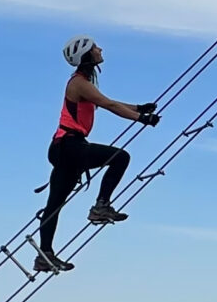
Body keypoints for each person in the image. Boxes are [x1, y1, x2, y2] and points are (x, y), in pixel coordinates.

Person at [36, 36, 159, 272]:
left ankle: (45, 255)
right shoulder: (78, 83)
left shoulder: (82, 83)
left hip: (64, 148)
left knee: (54, 205)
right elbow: (108, 105)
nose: (100, 49)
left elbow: (108, 101)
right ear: (86, 54)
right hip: (70, 146)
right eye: (95, 47)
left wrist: (138, 108)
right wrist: (141, 119)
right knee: (120, 157)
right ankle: (101, 206)